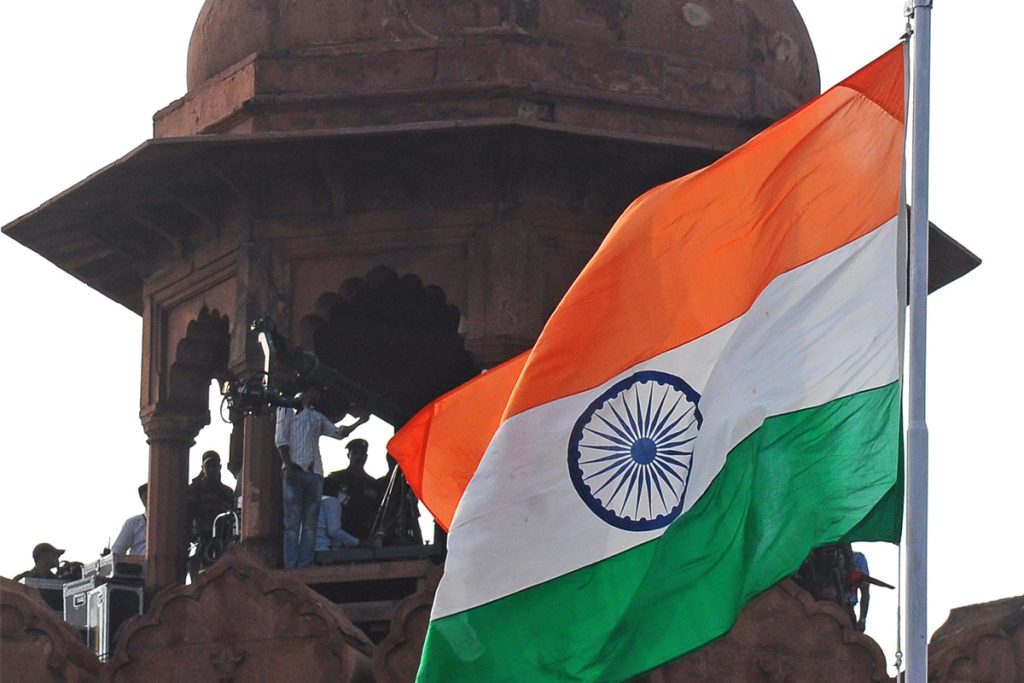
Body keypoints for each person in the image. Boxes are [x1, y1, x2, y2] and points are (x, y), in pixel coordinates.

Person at [275, 386, 367, 568]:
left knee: (310, 526)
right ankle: (291, 565)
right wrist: (288, 466)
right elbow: (281, 440)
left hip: (314, 473)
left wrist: (359, 423)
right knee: (293, 524)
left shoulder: (315, 415)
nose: (318, 396)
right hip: (296, 470)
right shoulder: (286, 408)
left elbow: (338, 433)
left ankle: (305, 564)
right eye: (316, 392)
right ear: (308, 391)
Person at [187, 451, 235, 577]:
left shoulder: (227, 492)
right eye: (208, 466)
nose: (212, 469)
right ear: (202, 468)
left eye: (215, 466)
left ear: (220, 468)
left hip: (221, 541)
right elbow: (186, 516)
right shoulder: (193, 490)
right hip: (199, 539)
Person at [324, 438, 381, 541]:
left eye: (362, 454)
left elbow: (377, 510)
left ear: (366, 457)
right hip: (340, 534)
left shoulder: (373, 484)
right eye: (355, 453)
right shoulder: (335, 479)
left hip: (365, 536)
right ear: (348, 456)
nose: (358, 457)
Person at [315, 479, 360, 552]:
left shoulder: (319, 500)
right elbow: (334, 531)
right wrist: (357, 542)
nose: (347, 496)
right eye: (344, 491)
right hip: (322, 548)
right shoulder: (333, 502)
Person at [111, 483, 148, 556]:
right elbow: (117, 552)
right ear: (143, 500)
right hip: (140, 566)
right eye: (146, 497)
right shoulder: (133, 523)